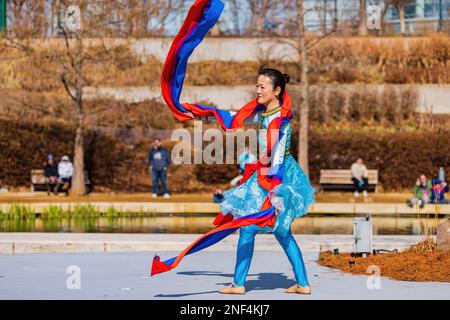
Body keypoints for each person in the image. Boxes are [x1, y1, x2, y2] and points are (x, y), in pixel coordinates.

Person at [188, 68, 315, 295]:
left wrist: (276, 192)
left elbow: (276, 154)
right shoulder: (265, 113)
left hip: (276, 177)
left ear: (276, 91)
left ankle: (239, 284)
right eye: (256, 86)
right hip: (269, 173)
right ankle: (302, 283)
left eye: (262, 87)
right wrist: (200, 114)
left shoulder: (281, 117)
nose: (257, 90)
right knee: (280, 232)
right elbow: (234, 116)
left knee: (253, 229)